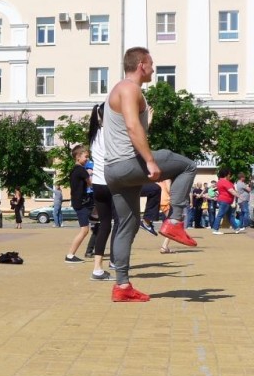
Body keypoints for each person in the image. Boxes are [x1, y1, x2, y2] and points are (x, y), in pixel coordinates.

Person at [104, 47, 197, 303]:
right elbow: (133, 128)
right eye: (152, 63)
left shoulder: (121, 91)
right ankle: (175, 221)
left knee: (127, 226)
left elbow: (126, 129)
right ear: (141, 64)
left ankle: (122, 286)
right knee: (187, 165)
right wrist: (150, 161)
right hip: (127, 164)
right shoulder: (129, 88)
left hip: (113, 170)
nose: (154, 68)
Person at [85, 103, 113, 280]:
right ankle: (117, 261)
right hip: (112, 183)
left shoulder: (93, 135)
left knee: (104, 225)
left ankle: (97, 269)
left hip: (98, 185)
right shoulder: (109, 133)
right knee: (121, 223)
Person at [64, 145, 92, 265]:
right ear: (77, 156)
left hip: (80, 202)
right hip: (81, 203)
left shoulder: (75, 169)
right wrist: (90, 174)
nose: (87, 159)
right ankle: (70, 255)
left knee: (88, 227)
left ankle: (97, 221)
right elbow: (90, 184)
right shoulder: (81, 170)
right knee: (85, 230)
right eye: (86, 157)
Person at [211, 168, 244, 235]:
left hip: (225, 201)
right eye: (229, 174)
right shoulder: (225, 182)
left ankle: (236, 228)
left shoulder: (220, 181)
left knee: (230, 215)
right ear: (226, 174)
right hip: (225, 201)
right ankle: (215, 229)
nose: (230, 175)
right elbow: (231, 191)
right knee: (220, 215)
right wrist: (239, 196)